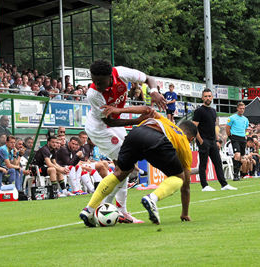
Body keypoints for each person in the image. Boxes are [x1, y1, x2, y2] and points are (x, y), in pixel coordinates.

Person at [79, 110, 197, 227]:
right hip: (156, 139)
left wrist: (120, 110)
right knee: (179, 178)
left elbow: (147, 110)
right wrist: (184, 213)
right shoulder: (185, 145)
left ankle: (89, 209)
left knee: (120, 172)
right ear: (191, 139)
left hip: (135, 134)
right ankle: (152, 198)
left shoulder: (167, 121)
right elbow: (185, 187)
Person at [83, 59, 167, 223]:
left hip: (115, 124)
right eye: (94, 81)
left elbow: (148, 78)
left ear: (110, 76)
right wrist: (137, 121)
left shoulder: (120, 73)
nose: (96, 84)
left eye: (100, 82)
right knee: (124, 167)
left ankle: (108, 210)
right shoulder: (93, 93)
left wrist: (154, 91)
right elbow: (109, 121)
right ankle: (104, 210)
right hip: (100, 128)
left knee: (125, 168)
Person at [192, 88, 237, 191]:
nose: (208, 98)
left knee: (218, 163)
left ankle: (224, 184)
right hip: (203, 140)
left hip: (213, 141)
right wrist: (200, 140)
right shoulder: (199, 111)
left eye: (209, 96)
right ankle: (204, 185)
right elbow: (194, 127)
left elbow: (214, 127)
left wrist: (217, 140)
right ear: (202, 98)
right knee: (203, 164)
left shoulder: (213, 111)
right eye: (206, 96)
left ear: (212, 97)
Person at [226, 102, 249, 181]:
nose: (242, 110)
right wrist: (230, 137)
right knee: (237, 155)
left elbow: (245, 128)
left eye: (243, 108)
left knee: (241, 157)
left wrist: (243, 135)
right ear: (237, 108)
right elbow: (227, 128)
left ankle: (238, 173)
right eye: (240, 108)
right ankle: (235, 174)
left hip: (242, 138)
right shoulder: (232, 117)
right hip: (235, 138)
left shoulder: (245, 119)